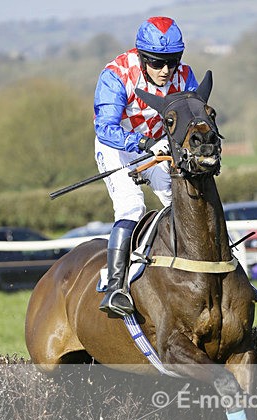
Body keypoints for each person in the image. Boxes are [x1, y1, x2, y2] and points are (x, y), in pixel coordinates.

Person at [94, 16, 199, 315]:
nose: (166, 70)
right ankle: (115, 289)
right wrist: (144, 145)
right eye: (156, 62)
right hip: (118, 148)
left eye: (172, 61)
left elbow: (191, 119)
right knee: (131, 206)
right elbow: (106, 128)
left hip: (157, 146)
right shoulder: (116, 75)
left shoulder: (185, 76)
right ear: (141, 56)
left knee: (184, 201)